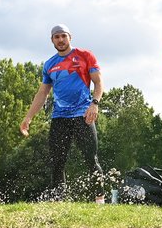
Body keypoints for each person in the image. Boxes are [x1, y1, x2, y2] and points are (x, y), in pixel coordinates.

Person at [20, 24, 105, 197]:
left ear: (70, 37)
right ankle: (59, 200)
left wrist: (94, 103)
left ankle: (100, 200)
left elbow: (98, 82)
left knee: (91, 159)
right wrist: (28, 118)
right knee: (57, 162)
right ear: (52, 40)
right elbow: (42, 93)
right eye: (56, 37)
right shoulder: (50, 65)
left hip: (83, 114)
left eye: (63, 36)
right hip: (59, 117)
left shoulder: (85, 55)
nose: (60, 40)